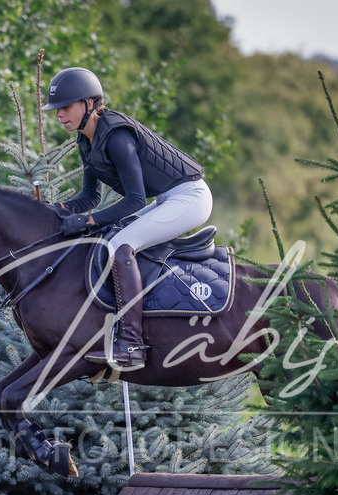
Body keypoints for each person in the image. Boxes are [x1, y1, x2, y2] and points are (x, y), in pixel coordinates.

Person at [42, 67, 213, 370]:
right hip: (168, 199)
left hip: (191, 198)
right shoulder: (86, 140)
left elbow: (135, 201)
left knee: (120, 243)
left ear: (90, 104)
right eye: (56, 109)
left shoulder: (117, 137)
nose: (58, 114)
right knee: (112, 237)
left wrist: (88, 222)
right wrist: (55, 210)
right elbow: (90, 198)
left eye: (65, 107)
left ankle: (131, 344)